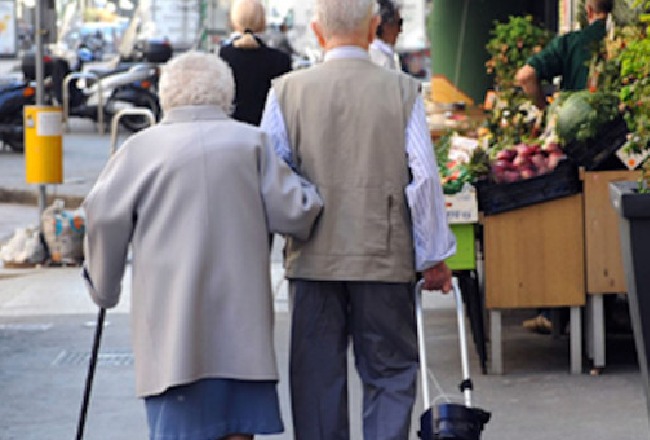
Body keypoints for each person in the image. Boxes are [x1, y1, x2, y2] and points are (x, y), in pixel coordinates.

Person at [81, 51, 323, 440]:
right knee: (239, 432)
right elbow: (295, 213)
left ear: (166, 95)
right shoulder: (253, 144)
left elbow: (103, 216)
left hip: (173, 339)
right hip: (242, 338)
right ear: (226, 96)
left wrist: (104, 288)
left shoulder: (140, 149)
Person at [259, 0, 456, 438]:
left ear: (316, 31)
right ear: (373, 30)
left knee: (316, 378)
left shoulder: (286, 92)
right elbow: (423, 179)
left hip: (313, 257)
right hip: (384, 255)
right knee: (389, 373)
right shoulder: (402, 90)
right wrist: (433, 257)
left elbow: (272, 175)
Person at [515, 0, 613, 334]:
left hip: (574, 148)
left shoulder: (572, 42)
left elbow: (526, 75)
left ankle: (561, 314)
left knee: (567, 228)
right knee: (607, 237)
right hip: (619, 149)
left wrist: (543, 107)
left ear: (587, 8)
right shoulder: (626, 41)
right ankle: (606, 312)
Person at [515, 0, 613, 110]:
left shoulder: (569, 43)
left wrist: (544, 110)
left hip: (575, 121)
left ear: (589, 11)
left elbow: (526, 76)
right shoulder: (624, 41)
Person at [219, 0, 292, 126]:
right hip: (266, 133)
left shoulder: (221, 57)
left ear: (233, 22)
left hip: (229, 131)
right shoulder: (281, 60)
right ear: (263, 22)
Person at [368, 0, 403, 70]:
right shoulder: (375, 58)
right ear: (386, 26)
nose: (400, 30)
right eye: (399, 24)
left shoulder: (390, 56)